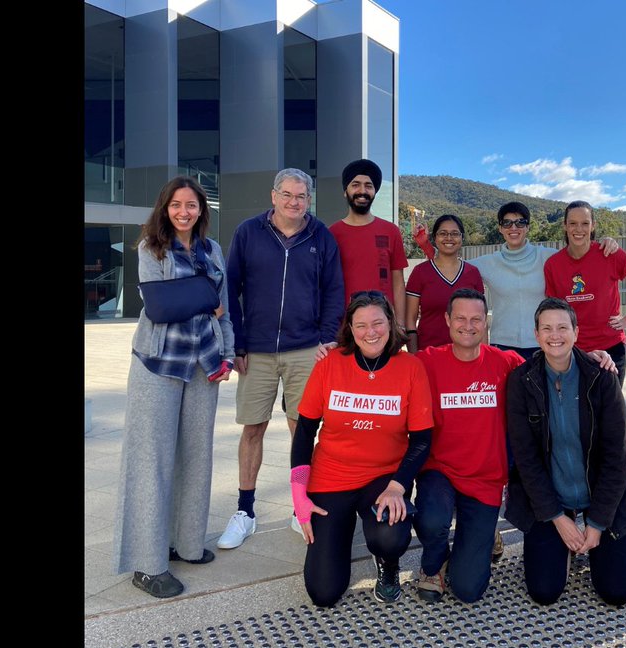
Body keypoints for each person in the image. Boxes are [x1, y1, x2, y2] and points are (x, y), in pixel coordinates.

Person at [113, 176, 236, 599]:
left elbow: (225, 311)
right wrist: (207, 298)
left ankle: (186, 543)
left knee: (196, 456)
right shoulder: (152, 247)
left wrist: (229, 353)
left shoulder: (212, 250)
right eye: (176, 205)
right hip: (158, 364)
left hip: (205, 363)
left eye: (193, 205)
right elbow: (162, 307)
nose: (184, 211)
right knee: (153, 459)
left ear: (202, 209)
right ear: (165, 208)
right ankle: (147, 564)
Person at [218, 168, 346, 550]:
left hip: (305, 349)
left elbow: (333, 290)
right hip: (255, 350)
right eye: (287, 194)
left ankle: (299, 506)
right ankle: (245, 512)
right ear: (273, 196)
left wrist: (326, 339)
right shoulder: (247, 232)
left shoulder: (320, 236)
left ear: (309, 199)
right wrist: (236, 342)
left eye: (301, 196)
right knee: (252, 428)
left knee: (301, 429)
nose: (294, 202)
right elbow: (231, 287)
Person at [289, 291, 434, 607]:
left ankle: (388, 563)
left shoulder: (410, 367)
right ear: (350, 329)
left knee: (389, 536)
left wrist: (398, 487)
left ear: (390, 323)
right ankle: (337, 538)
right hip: (331, 478)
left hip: (383, 479)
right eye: (361, 325)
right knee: (323, 593)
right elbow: (304, 432)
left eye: (378, 323)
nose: (371, 332)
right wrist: (299, 495)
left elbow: (422, 439)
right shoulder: (329, 364)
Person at [505, 297, 626, 607]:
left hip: (602, 495)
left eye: (563, 327)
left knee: (616, 594)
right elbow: (527, 460)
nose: (555, 335)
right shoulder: (522, 383)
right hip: (550, 498)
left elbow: (617, 458)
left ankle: (589, 540)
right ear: (536, 335)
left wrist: (598, 523)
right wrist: (558, 519)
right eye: (547, 328)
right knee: (544, 592)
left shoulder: (602, 377)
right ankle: (562, 543)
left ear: (576, 332)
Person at [412, 289, 525, 603]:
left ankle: (482, 534)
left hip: (484, 481)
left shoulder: (506, 362)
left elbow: (552, 363)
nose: (468, 325)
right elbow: (382, 366)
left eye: (476, 319)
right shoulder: (427, 361)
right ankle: (433, 564)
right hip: (440, 472)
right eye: (460, 318)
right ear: (447, 320)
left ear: (486, 322)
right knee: (432, 518)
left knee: (467, 589)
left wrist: (593, 356)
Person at [466, 202, 622, 361]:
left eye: (520, 222)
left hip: (543, 345)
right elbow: (454, 268)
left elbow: (580, 255)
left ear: (528, 227)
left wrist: (606, 242)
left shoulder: (549, 257)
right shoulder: (486, 263)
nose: (514, 228)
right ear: (500, 228)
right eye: (507, 223)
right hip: (502, 346)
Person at [542, 200, 626, 386]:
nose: (578, 229)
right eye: (572, 223)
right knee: (576, 412)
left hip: (610, 347)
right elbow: (554, 311)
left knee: (610, 412)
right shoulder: (553, 265)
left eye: (585, 223)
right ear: (565, 226)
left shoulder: (609, 254)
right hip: (573, 351)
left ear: (593, 225)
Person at [329, 159, 409, 328]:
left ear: (374, 191)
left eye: (368, 185)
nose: (362, 191)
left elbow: (398, 282)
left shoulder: (390, 231)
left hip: (383, 324)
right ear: (346, 191)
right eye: (355, 184)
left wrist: (400, 324)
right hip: (344, 326)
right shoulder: (332, 234)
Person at [405, 215, 484, 352]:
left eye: (455, 234)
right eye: (443, 233)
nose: (449, 238)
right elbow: (410, 320)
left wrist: (484, 355)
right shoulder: (420, 272)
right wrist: (414, 356)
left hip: (466, 355)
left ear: (462, 238)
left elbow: (481, 320)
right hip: (429, 355)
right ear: (434, 238)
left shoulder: (473, 273)